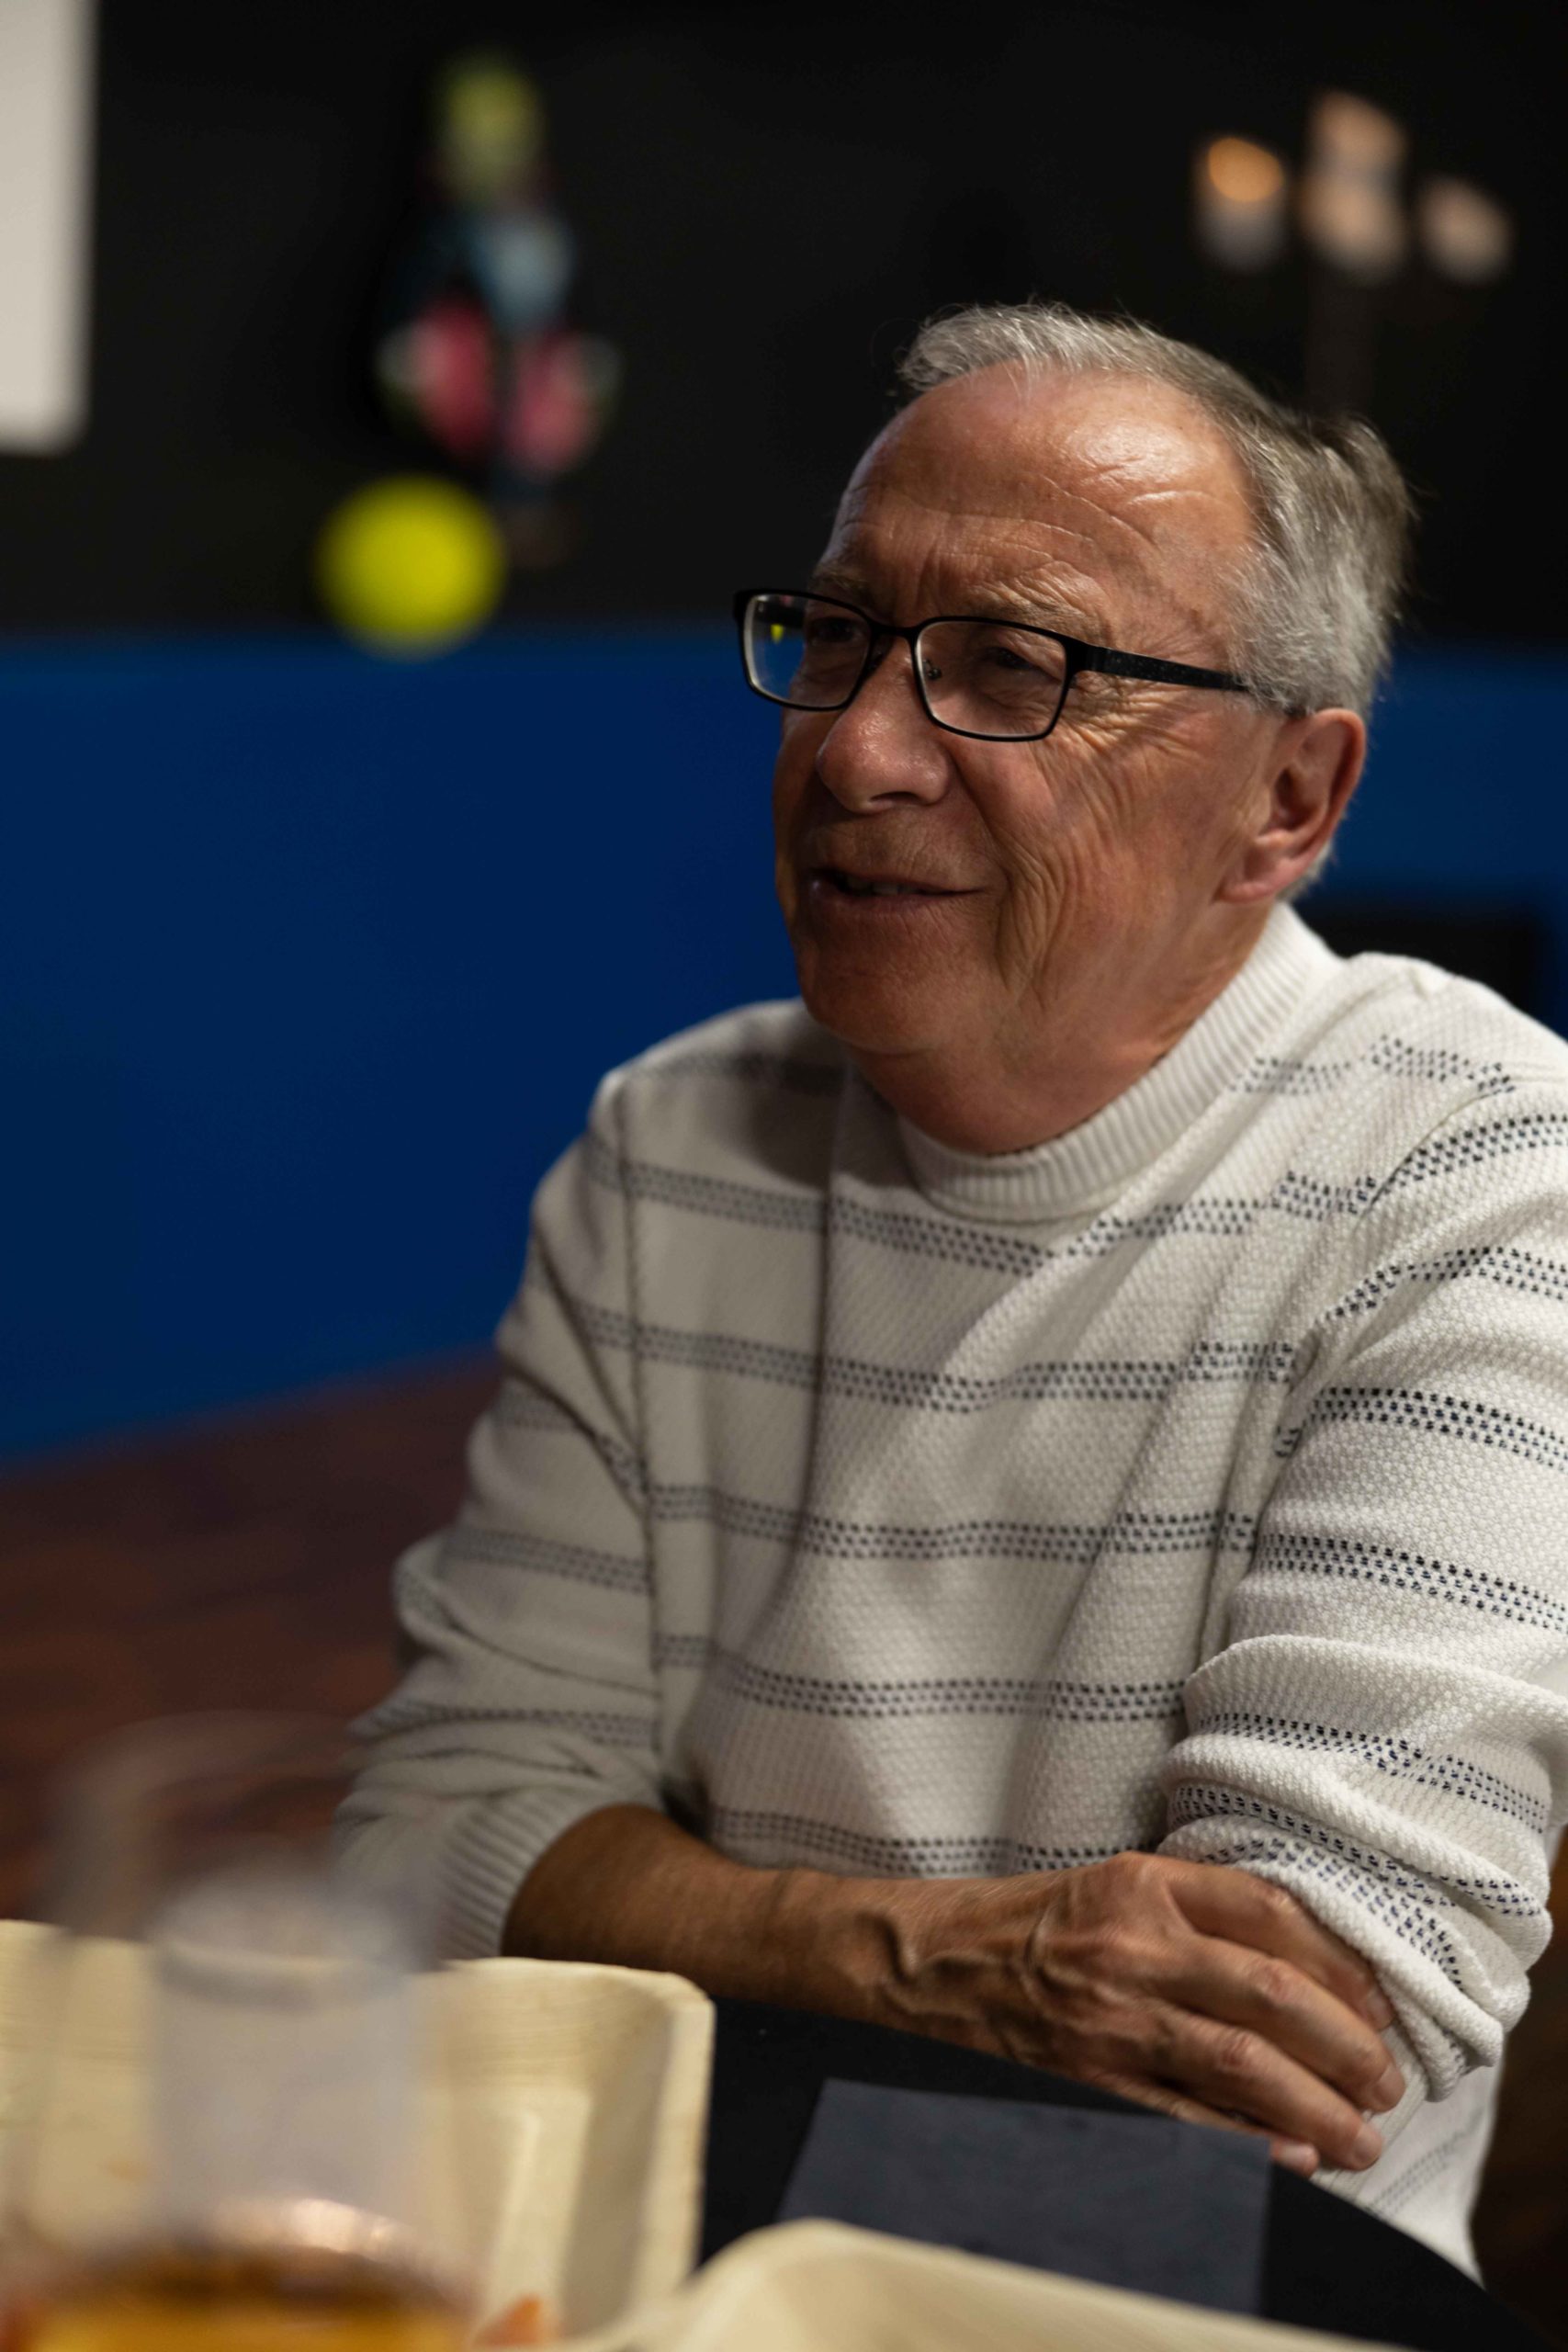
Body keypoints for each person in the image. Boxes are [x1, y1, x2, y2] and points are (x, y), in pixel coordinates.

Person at [341, 302, 1568, 2276]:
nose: (857, 747)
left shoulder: (1483, 1164)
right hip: (678, 2237)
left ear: (1288, 799)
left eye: (1014, 666)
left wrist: (668, 1939)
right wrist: (914, 1958)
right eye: (836, 638)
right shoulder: (672, 1145)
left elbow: (1297, 2025)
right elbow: (431, 1833)